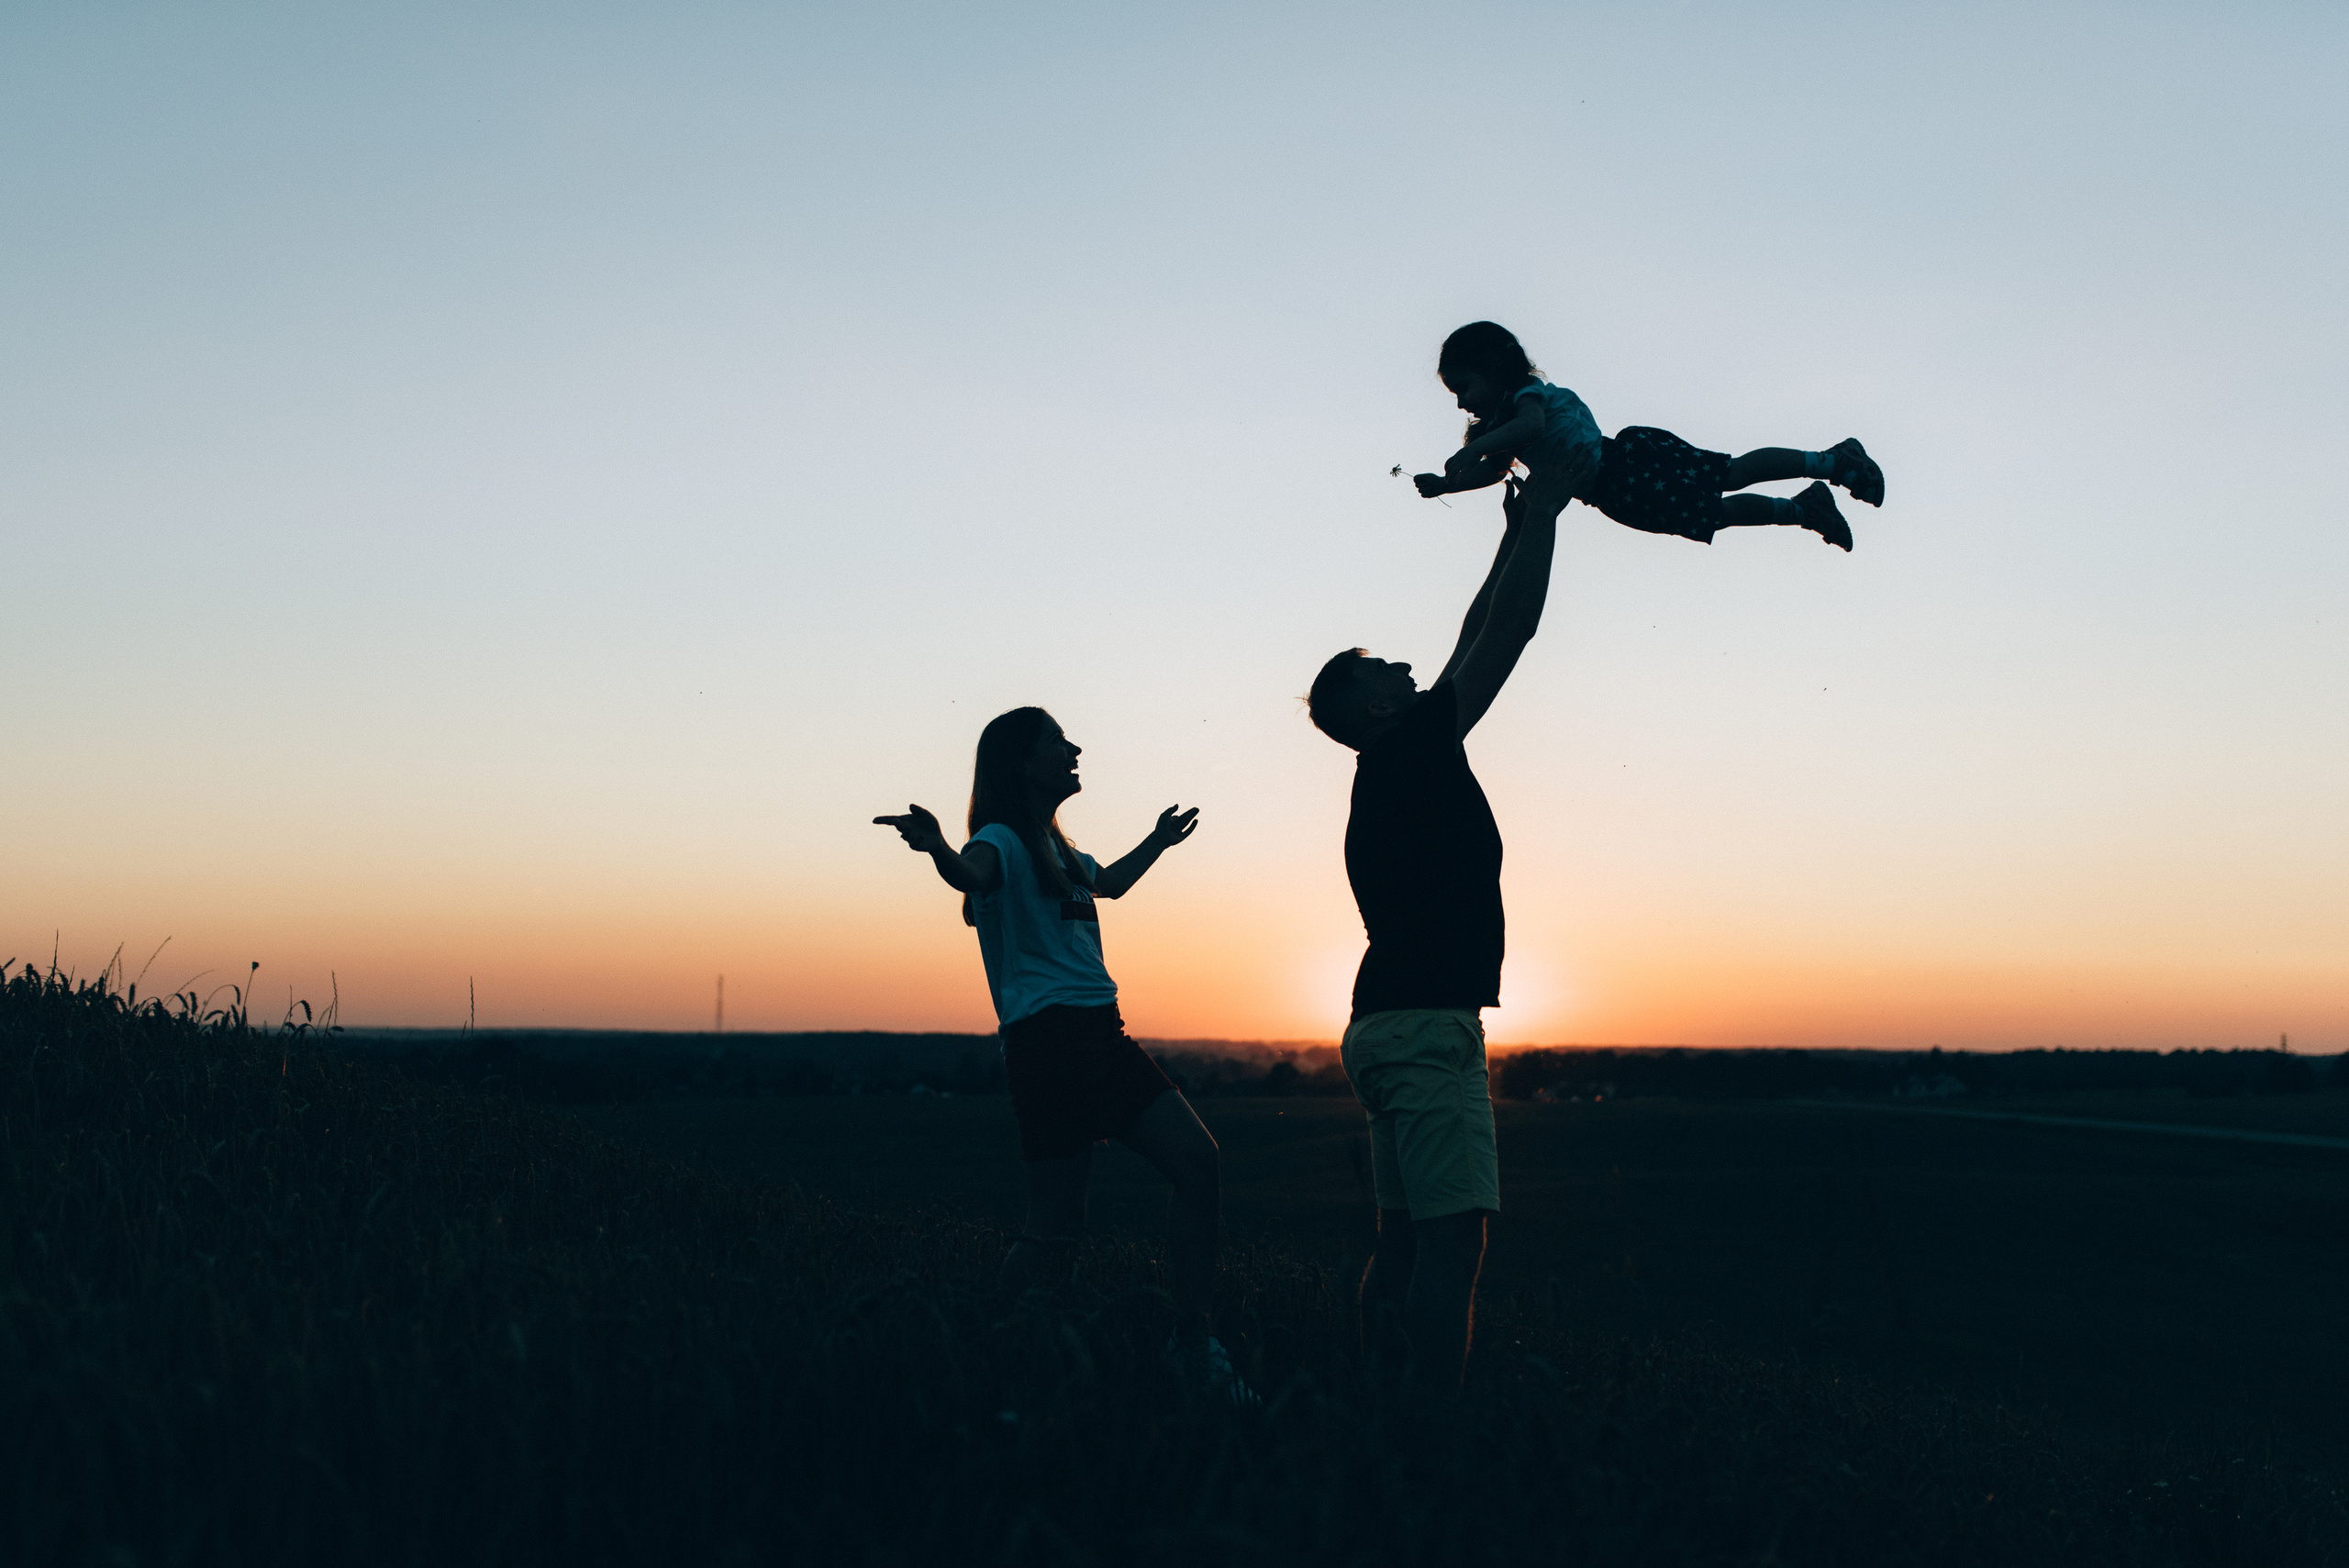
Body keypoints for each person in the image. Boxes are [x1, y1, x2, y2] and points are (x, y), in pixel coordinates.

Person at [873, 706, 1252, 1402]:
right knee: (1075, 1216)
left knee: (1146, 1186)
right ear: (1020, 762)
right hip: (1052, 1043)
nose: (1074, 748)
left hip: (1098, 1035)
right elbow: (972, 875)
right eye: (1057, 741)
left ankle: (1166, 1347)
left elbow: (1111, 882)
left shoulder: (1062, 854)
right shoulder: (1000, 842)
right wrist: (936, 850)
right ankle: (1010, 1359)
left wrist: (1159, 841)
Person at [1305, 468, 1574, 1394]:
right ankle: (1427, 1434)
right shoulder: (1410, 746)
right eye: (1379, 667)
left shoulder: (1396, 759)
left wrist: (1508, 534)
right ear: (1376, 707)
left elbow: (1468, 635)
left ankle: (1369, 1394)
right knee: (1453, 1247)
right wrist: (1543, 513)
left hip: (1384, 1025)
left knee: (1403, 1237)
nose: (1398, 664)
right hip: (1424, 1029)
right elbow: (1508, 633)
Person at [1410, 320, 1886, 551]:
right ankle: (1807, 510)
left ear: (1495, 368)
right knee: (1714, 515)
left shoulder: (1526, 395)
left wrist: (1474, 447)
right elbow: (1494, 473)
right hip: (1615, 495)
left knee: (1732, 473)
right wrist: (1449, 484)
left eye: (1463, 387)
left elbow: (1531, 427)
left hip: (1631, 463)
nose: (1460, 403)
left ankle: (1833, 461)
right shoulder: (1500, 429)